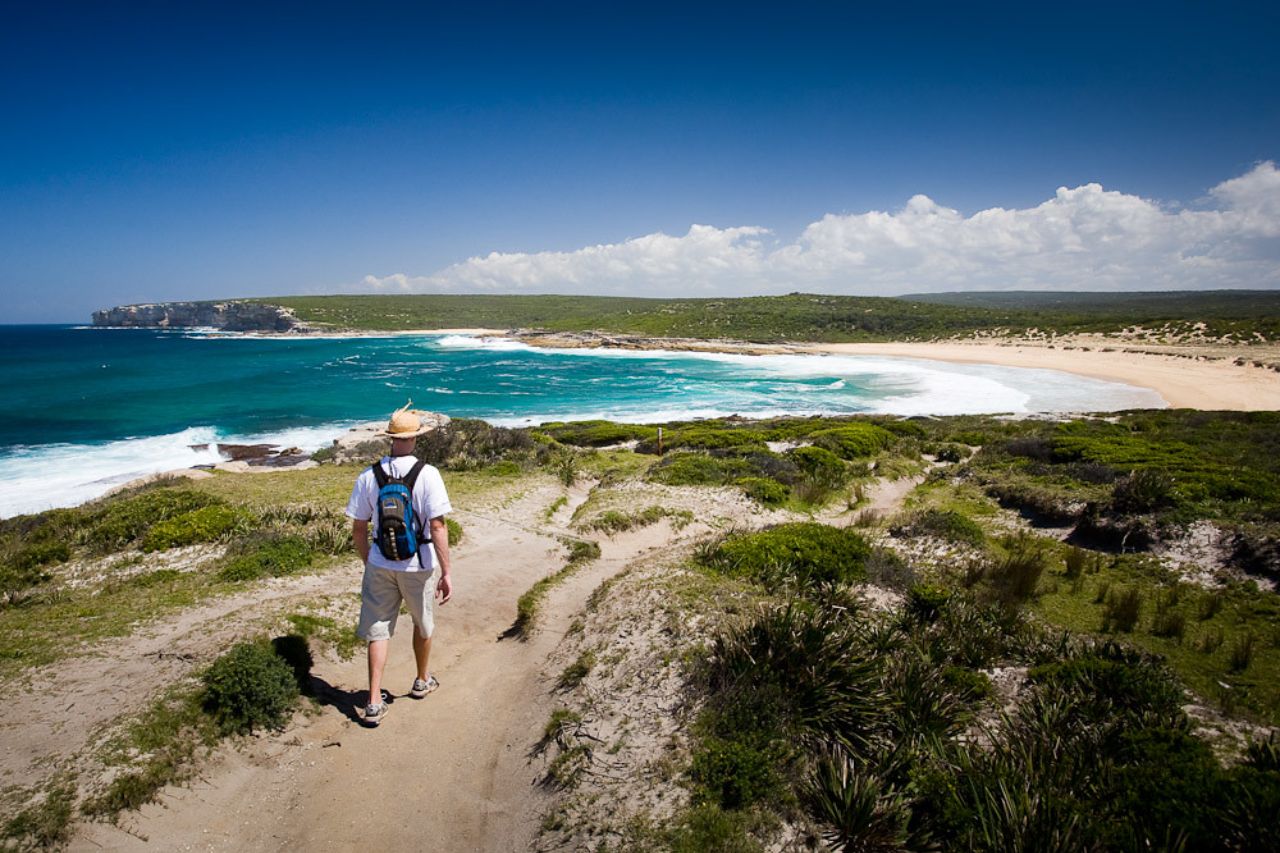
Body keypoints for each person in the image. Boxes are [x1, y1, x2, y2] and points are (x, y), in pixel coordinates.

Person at [344, 403, 453, 726]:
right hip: (417, 564)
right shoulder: (428, 474)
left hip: (380, 560)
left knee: (378, 630)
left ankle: (374, 701)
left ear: (389, 438)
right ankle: (422, 680)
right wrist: (447, 572)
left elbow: (359, 527)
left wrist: (370, 561)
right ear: (416, 438)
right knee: (423, 624)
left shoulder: (369, 475)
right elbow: (437, 527)